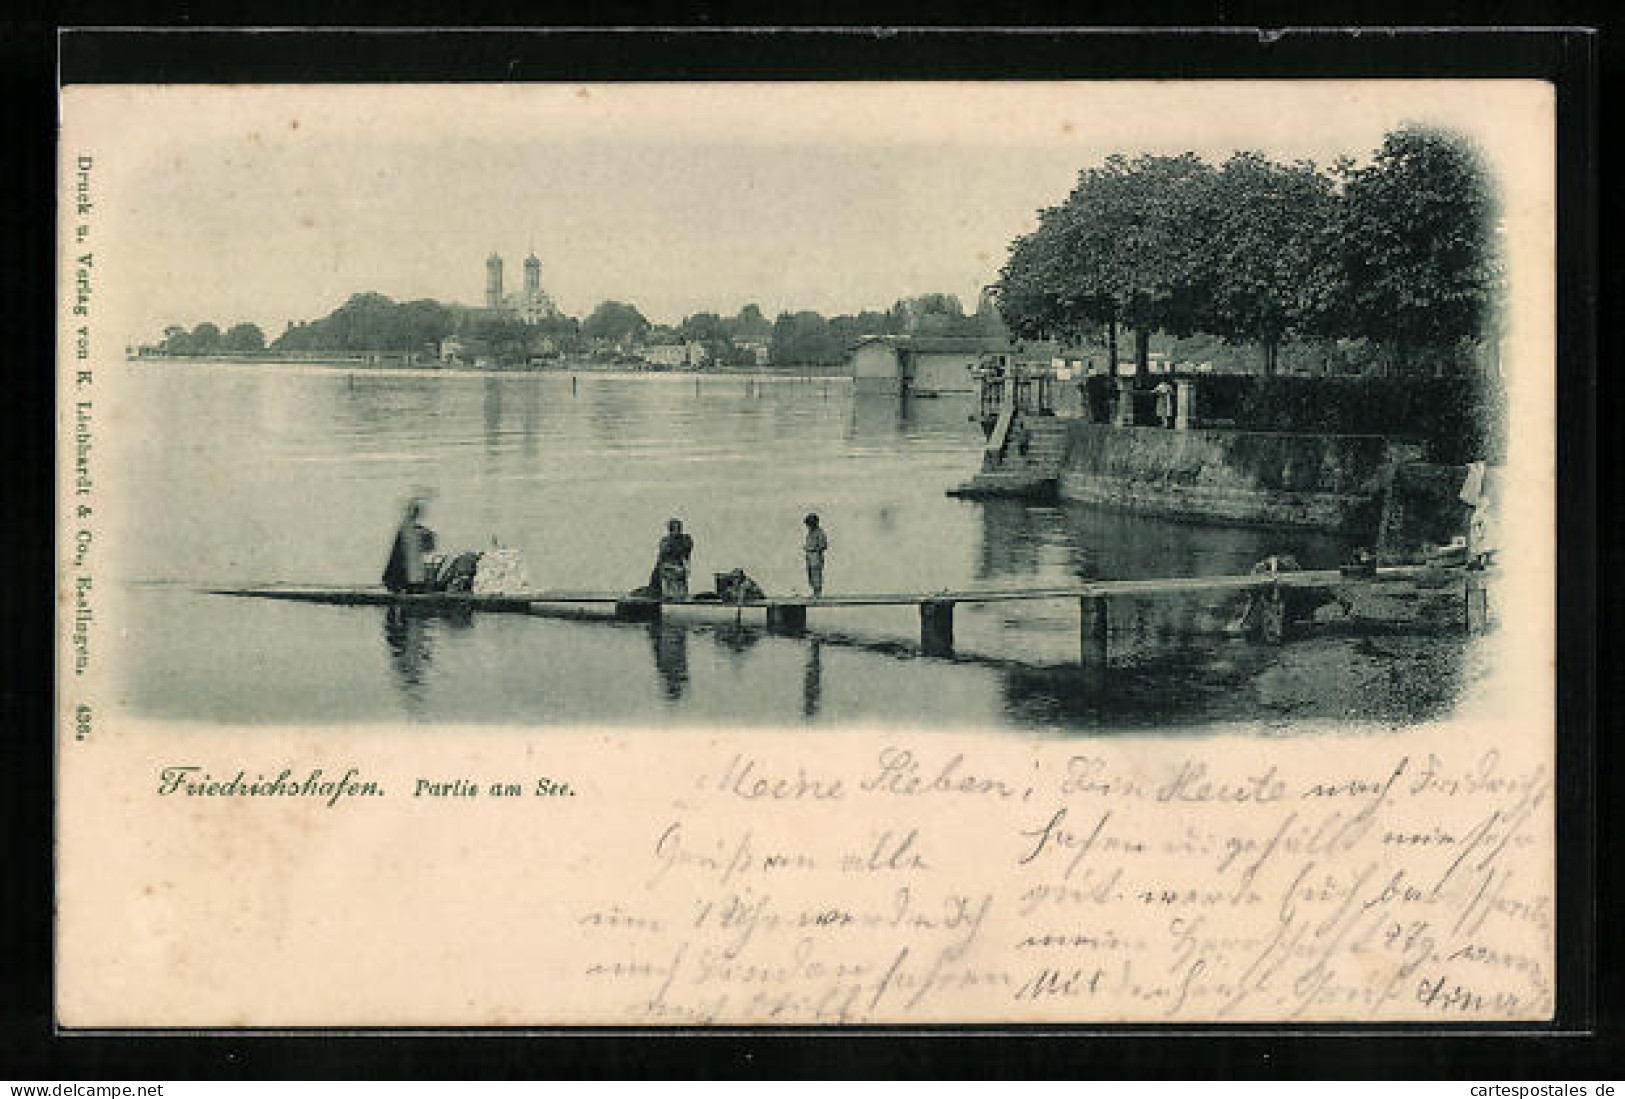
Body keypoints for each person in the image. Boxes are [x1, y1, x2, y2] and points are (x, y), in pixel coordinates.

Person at [382, 499, 437, 593]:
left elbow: (428, 548)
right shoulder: (408, 530)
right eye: (414, 511)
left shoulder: (416, 530)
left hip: (411, 578)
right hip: (405, 578)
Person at [654, 518, 693, 600]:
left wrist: (687, 568)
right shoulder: (665, 541)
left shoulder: (685, 540)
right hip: (668, 568)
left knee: (680, 591)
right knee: (669, 591)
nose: (677, 531)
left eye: (679, 528)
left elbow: (686, 556)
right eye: (674, 529)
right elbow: (661, 558)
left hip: (679, 568)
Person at [803, 512, 828, 597]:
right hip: (810, 555)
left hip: (816, 556)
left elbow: (824, 545)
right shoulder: (810, 532)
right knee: (810, 574)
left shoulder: (820, 532)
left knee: (816, 573)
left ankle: (818, 593)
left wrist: (814, 549)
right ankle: (814, 592)